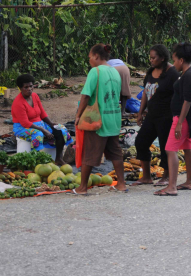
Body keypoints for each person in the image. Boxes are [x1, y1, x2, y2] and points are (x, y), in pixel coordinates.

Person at [74, 44, 126, 195]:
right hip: (114, 118)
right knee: (115, 151)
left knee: (90, 152)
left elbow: (85, 96)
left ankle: (82, 187)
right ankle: (121, 184)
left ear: (96, 56)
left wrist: (78, 115)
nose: (89, 60)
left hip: (98, 119)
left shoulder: (95, 72)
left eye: (90, 57)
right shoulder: (115, 72)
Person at [155, 42, 191, 196]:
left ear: (181, 60)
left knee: (170, 149)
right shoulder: (189, 74)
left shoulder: (188, 75)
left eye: (174, 60)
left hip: (182, 118)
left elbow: (187, 101)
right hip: (185, 116)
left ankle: (171, 186)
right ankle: (190, 181)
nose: (173, 64)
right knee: (187, 148)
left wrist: (179, 122)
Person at [133, 45, 179, 187]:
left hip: (166, 116)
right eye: (150, 58)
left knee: (166, 147)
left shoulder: (172, 73)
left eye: (154, 58)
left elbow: (179, 93)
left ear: (162, 58)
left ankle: (166, 176)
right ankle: (146, 176)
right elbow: (146, 92)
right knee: (141, 142)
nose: (151, 60)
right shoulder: (151, 71)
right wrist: (141, 112)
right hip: (151, 116)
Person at [11, 74, 73, 165]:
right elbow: (25, 123)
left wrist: (51, 123)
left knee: (61, 129)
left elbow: (42, 113)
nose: (29, 89)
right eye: (26, 87)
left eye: (31, 86)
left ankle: (58, 158)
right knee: (38, 134)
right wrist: (43, 130)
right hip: (23, 128)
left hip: (40, 124)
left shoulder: (35, 96)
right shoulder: (18, 103)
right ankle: (36, 161)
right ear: (20, 88)